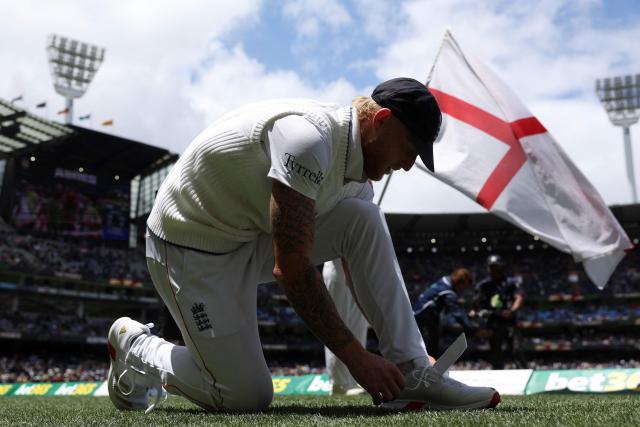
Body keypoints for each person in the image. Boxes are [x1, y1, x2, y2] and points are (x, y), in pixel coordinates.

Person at [106, 77, 500, 413]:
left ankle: (415, 370)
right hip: (189, 248)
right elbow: (291, 268)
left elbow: (356, 266)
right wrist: (356, 357)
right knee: (245, 397)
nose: (409, 164)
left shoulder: (357, 177)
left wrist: (408, 353)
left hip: (248, 235)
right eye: (410, 149)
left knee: (365, 219)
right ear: (381, 121)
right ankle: (136, 345)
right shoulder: (308, 140)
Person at [413, 268, 488, 358]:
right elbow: (457, 313)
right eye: (464, 287)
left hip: (421, 315)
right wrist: (475, 329)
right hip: (422, 319)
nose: (463, 291)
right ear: (460, 283)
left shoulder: (444, 281)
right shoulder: (448, 293)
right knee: (430, 346)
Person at [323, 258, 369, 396]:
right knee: (338, 326)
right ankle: (339, 384)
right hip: (338, 269)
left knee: (358, 329)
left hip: (359, 270)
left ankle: (354, 380)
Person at [473, 254, 524, 369]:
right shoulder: (483, 285)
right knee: (495, 354)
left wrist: (511, 311)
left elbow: (519, 297)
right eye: (491, 267)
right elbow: (476, 303)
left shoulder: (511, 282)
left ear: (501, 267)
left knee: (516, 351)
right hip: (493, 323)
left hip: (510, 322)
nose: (493, 270)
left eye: (495, 267)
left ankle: (525, 374)